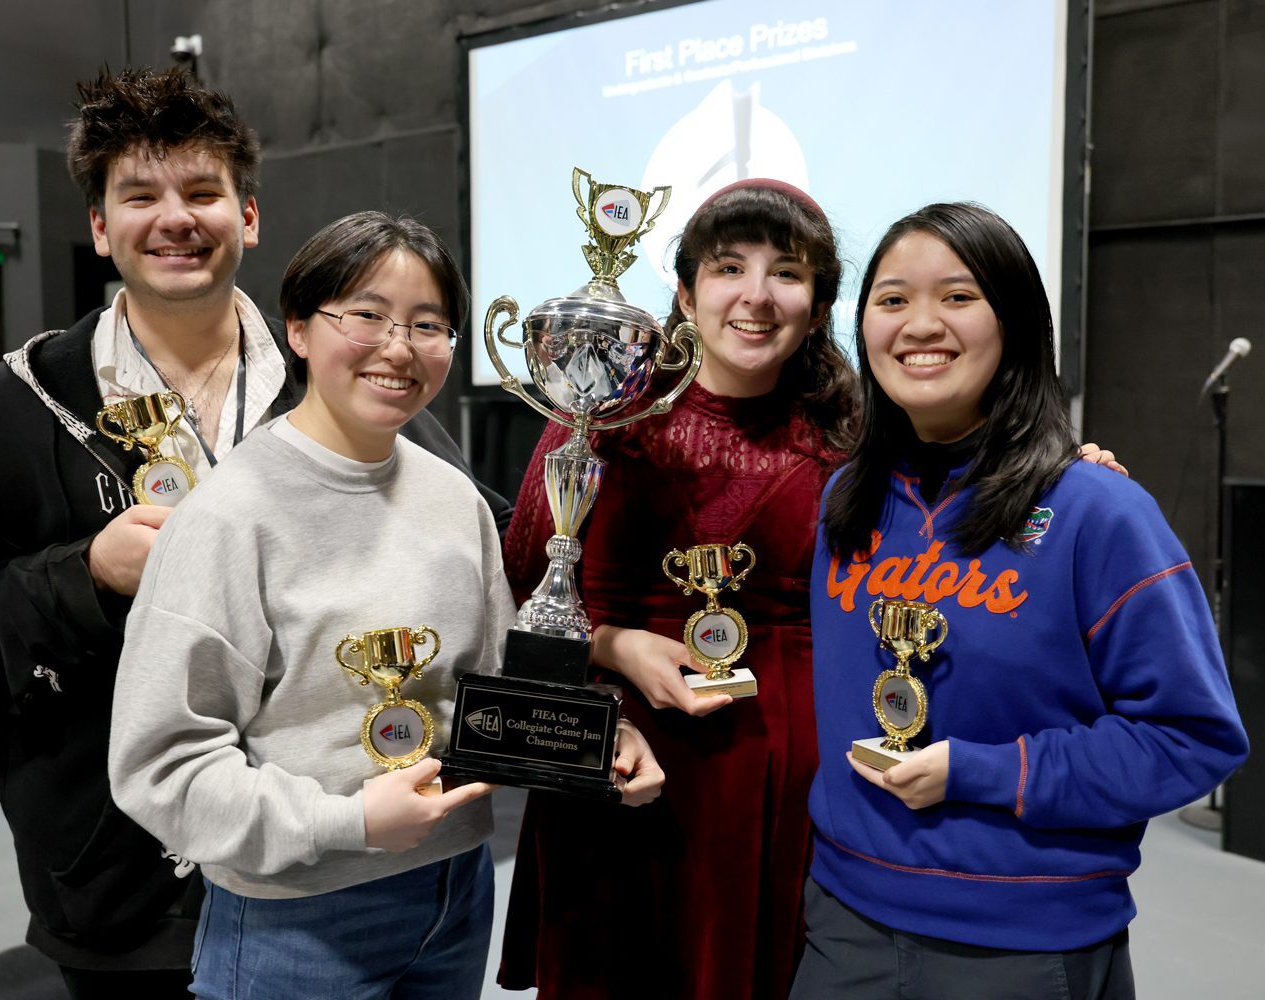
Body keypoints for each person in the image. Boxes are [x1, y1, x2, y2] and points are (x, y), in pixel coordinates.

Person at [0, 68, 506, 997]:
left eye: (203, 192)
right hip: (121, 882)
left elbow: (473, 552)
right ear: (100, 227)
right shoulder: (22, 405)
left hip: (338, 866)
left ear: (248, 217)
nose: (175, 217)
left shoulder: (346, 376)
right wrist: (84, 577)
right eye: (139, 195)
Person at [107, 212, 664, 1000]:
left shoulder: (451, 497)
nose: (399, 347)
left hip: (457, 896)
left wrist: (598, 734)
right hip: (299, 924)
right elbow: (160, 769)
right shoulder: (229, 516)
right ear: (297, 329)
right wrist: (348, 823)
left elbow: (497, 682)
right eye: (367, 315)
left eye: (428, 324)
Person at [795, 203, 1249, 999]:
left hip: (1023, 946)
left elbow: (1191, 738)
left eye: (959, 296)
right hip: (843, 923)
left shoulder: (1097, 512)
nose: (921, 324)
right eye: (893, 299)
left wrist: (984, 773)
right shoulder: (846, 504)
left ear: (1017, 323)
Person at [499, 179, 855, 1000]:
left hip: (773, 768)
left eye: (788, 273)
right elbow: (522, 585)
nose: (757, 296)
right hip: (618, 746)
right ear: (687, 294)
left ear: (818, 303)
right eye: (730, 267)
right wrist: (613, 645)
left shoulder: (847, 435)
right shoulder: (604, 413)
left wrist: (1065, 472)